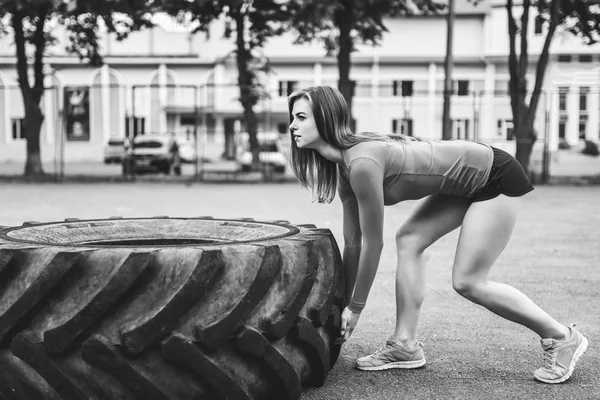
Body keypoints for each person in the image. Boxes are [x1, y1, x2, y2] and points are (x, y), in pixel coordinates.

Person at [287, 86, 587, 384]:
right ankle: (405, 345)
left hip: (495, 175)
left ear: (325, 118)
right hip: (464, 183)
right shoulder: (344, 170)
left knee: (468, 281)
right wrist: (343, 304)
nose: (292, 126)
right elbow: (354, 243)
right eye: (293, 117)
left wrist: (356, 308)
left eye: (301, 117)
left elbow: (372, 243)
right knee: (409, 239)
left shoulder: (362, 164)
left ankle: (561, 336)